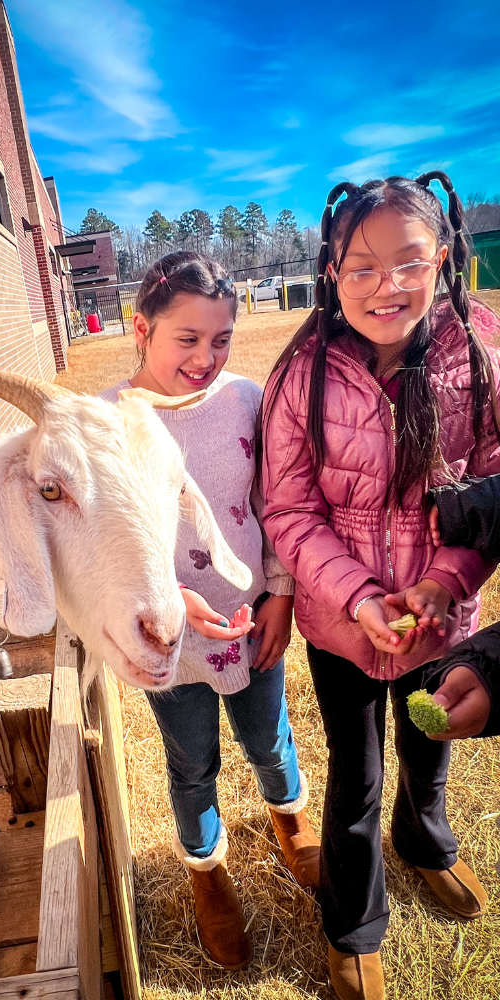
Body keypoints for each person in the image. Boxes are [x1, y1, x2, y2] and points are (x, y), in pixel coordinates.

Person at [257, 172, 499, 1000]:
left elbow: (496, 487)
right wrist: (361, 600)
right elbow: (287, 507)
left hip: (445, 621)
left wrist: (441, 583)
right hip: (342, 629)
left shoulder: (482, 353)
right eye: (360, 266)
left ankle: (426, 839)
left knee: (430, 741)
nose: (384, 285)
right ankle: (354, 921)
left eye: (407, 263)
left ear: (444, 258)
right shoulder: (302, 375)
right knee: (354, 775)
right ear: (330, 270)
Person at [97, 250, 313, 970]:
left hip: (253, 621)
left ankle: (293, 824)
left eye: (220, 339)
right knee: (193, 763)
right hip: (173, 638)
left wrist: (280, 591)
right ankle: (207, 872)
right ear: (140, 328)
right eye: (186, 339)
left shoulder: (247, 399)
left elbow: (273, 503)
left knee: (270, 738)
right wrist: (166, 596)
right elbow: (99, 543)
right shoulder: (102, 423)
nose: (206, 357)